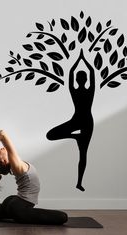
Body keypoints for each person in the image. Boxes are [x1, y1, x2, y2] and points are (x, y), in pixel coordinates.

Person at [0, 130, 68, 225]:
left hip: (14, 203)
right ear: (3, 161)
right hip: (20, 208)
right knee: (63, 217)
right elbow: (2, 134)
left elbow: (0, 138)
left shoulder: (16, 165)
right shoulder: (16, 166)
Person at [46, 49, 95, 192]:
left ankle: (79, 183)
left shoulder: (75, 90)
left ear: (79, 80)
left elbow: (71, 76)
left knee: (83, 153)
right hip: (83, 120)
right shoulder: (89, 90)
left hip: (82, 121)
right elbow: (92, 73)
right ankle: (75, 137)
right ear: (84, 79)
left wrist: (77, 62)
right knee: (82, 154)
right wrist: (84, 60)